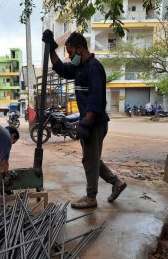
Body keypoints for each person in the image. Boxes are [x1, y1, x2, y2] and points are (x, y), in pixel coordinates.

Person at [42, 30, 127, 209]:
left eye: (71, 52)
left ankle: (91, 198)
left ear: (80, 49)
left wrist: (86, 122)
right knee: (92, 158)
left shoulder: (93, 67)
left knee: (89, 160)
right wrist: (50, 48)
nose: (69, 56)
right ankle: (116, 183)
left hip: (95, 123)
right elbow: (61, 69)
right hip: (89, 121)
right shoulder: (80, 68)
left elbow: (96, 100)